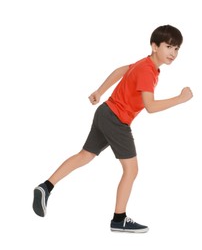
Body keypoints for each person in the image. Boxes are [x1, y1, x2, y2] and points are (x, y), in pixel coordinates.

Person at [32, 25, 193, 233]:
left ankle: (46, 187)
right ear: (154, 46)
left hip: (105, 112)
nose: (173, 53)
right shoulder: (148, 71)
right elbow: (150, 107)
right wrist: (180, 99)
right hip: (116, 120)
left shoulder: (144, 64)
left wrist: (99, 91)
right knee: (131, 169)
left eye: (177, 48)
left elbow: (120, 70)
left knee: (85, 155)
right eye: (169, 46)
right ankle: (119, 219)